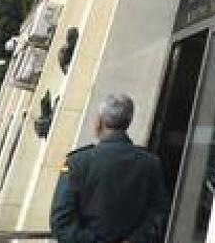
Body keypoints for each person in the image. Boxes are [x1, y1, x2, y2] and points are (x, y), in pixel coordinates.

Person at [51, 94, 169, 243]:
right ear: (128, 123)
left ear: (99, 122)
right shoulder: (150, 163)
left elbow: (61, 222)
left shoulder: (77, 162)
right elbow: (158, 213)